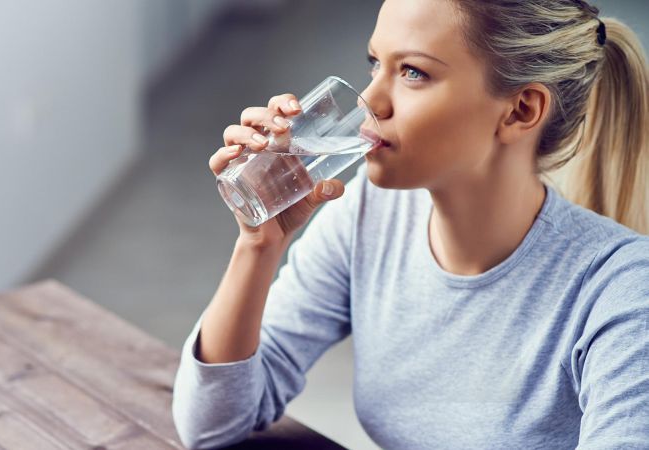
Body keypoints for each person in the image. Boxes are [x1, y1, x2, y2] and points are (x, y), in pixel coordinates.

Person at [171, 0, 649, 448]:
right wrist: (258, 245)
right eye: (374, 63)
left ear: (521, 110)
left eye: (413, 72)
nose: (370, 102)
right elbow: (212, 426)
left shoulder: (624, 290)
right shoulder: (367, 215)